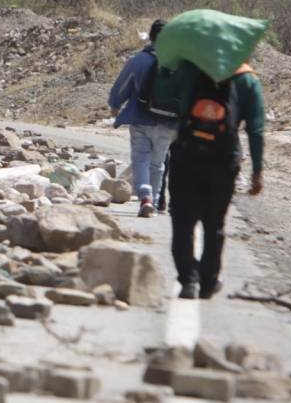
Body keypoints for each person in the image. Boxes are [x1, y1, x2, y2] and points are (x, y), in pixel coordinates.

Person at [165, 60, 265, 299]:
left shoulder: (190, 69)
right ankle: (208, 282)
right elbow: (256, 129)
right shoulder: (248, 80)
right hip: (223, 160)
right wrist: (257, 171)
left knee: (182, 222)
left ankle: (188, 279)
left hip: (186, 155)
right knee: (214, 225)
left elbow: (164, 93)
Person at [108, 19, 176, 218]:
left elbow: (122, 87)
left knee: (140, 159)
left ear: (151, 36)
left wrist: (115, 105)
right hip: (169, 123)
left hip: (140, 119)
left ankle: (145, 197)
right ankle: (153, 202)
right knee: (158, 163)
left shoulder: (138, 60)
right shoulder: (180, 62)